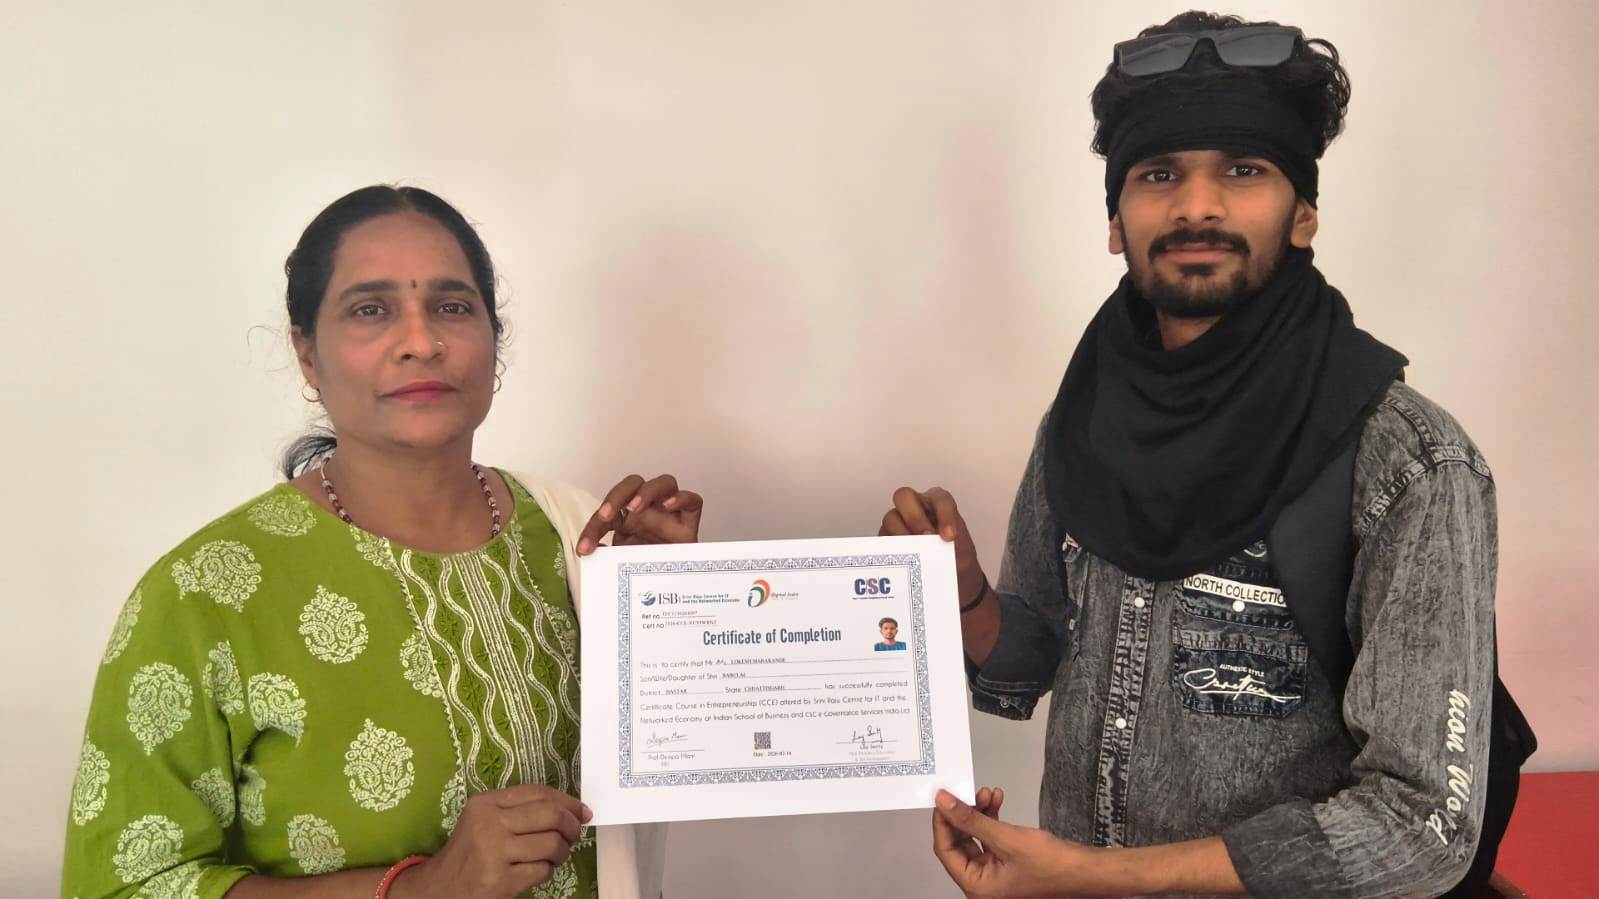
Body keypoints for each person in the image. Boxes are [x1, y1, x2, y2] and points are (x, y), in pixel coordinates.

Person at [880, 12, 1502, 897]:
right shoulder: (1082, 416)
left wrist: (1099, 877)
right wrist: (965, 594)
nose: (1196, 206)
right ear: (1115, 220)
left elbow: (1420, 826)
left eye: (1242, 170)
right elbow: (1035, 656)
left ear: (1303, 213)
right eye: (1158, 173)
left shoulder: (1407, 461)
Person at [62, 185, 700, 899]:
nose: (421, 341)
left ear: (494, 339)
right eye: (371, 309)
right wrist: (421, 889)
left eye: (452, 307)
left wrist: (674, 607)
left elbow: (678, 769)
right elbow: (123, 885)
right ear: (307, 355)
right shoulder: (205, 593)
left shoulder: (576, 536)